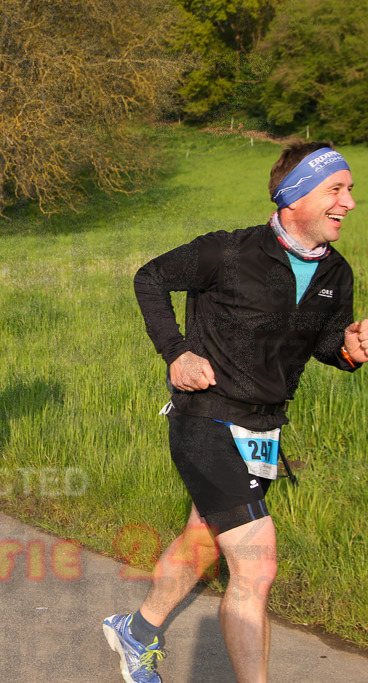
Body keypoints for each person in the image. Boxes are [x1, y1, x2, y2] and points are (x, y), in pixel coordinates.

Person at [103, 142, 368, 683]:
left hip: (264, 430)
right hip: (205, 418)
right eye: (335, 190)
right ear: (294, 197)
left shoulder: (336, 274)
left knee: (203, 541)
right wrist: (176, 352)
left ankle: (138, 630)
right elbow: (149, 278)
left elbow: (321, 344)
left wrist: (348, 349)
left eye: (351, 190)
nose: (350, 203)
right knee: (257, 563)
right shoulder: (229, 252)